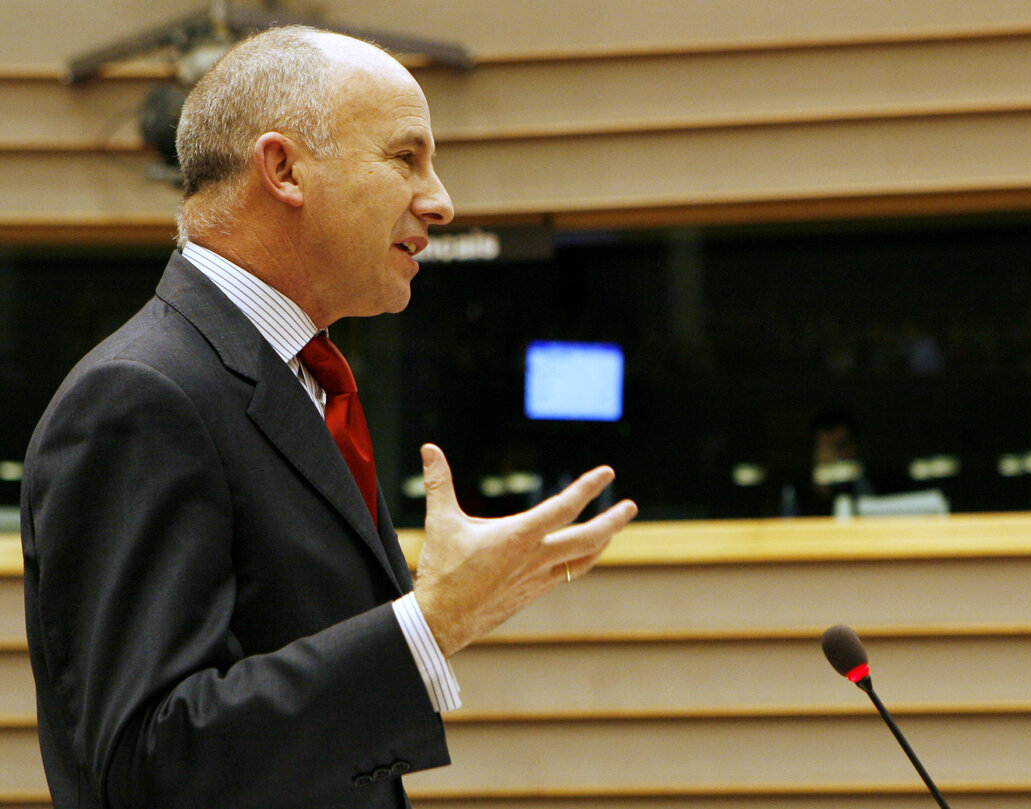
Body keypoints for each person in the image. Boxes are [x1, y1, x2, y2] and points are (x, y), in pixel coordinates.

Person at [20, 26, 637, 809]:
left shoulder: (301, 378)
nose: (440, 201)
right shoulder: (139, 395)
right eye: (404, 158)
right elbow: (147, 765)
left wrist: (428, 622)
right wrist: (429, 624)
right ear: (283, 169)